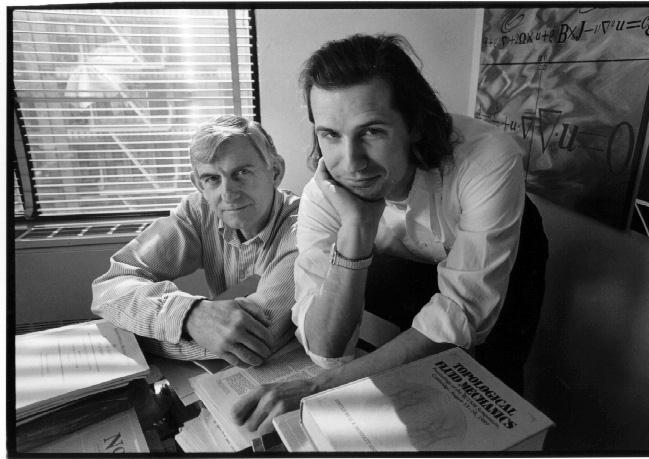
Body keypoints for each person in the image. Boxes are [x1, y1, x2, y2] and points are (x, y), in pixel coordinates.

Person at [230, 34, 547, 433]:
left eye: (372, 132)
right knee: (401, 375)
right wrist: (358, 228)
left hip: (497, 252)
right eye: (330, 135)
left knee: (491, 375)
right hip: (401, 257)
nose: (351, 163)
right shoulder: (322, 194)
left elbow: (463, 313)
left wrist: (320, 386)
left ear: (414, 124)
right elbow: (326, 349)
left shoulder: (488, 157)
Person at [91, 115, 299, 366]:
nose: (228, 193)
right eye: (212, 178)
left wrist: (139, 329)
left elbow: (252, 342)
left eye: (242, 172)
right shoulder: (198, 211)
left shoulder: (303, 229)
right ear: (199, 185)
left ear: (275, 172)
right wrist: (189, 314)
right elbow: (111, 285)